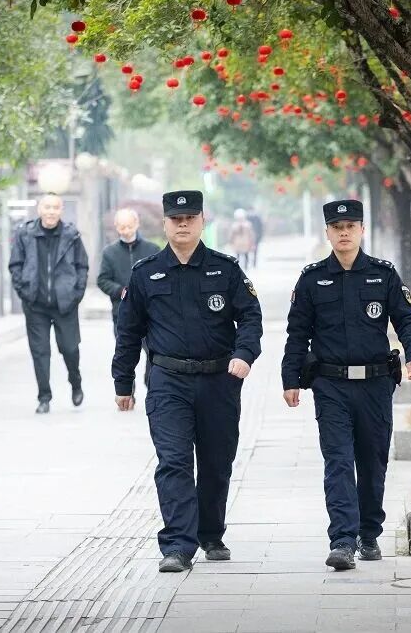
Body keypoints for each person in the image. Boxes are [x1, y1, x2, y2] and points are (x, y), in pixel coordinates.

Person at [112, 190, 262, 573]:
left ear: (202, 222)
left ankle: (210, 533)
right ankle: (178, 545)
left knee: (216, 463)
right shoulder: (145, 274)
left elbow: (250, 316)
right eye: (176, 219)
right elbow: (128, 332)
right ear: (164, 224)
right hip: (168, 381)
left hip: (218, 382)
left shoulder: (225, 270)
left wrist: (244, 354)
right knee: (174, 462)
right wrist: (123, 383)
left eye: (190, 218)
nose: (182, 225)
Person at [281, 199, 411, 571]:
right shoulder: (312, 279)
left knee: (373, 462)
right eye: (337, 227)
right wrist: (290, 379)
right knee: (339, 462)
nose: (343, 233)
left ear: (362, 230)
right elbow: (297, 334)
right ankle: (343, 541)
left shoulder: (383, 274)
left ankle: (368, 533)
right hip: (331, 386)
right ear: (328, 232)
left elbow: (406, 319)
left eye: (350, 227)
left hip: (375, 386)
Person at [8, 193, 88, 414]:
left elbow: (82, 265)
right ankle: (44, 397)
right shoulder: (25, 234)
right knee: (40, 352)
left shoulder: (71, 235)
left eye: (55, 207)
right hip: (36, 305)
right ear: (39, 209)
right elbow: (15, 264)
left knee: (70, 348)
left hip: (65, 304)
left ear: (61, 210)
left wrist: (76, 294)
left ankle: (75, 382)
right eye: (47, 207)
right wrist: (24, 292)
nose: (51, 211)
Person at [97, 208, 160, 389]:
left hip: (150, 314)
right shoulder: (109, 252)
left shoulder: (152, 250)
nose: (126, 230)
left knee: (154, 352)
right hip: (122, 313)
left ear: (137, 224)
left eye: (129, 226)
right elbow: (102, 280)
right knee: (126, 354)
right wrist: (119, 291)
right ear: (116, 227)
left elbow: (162, 276)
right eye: (122, 227)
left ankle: (151, 384)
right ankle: (127, 390)